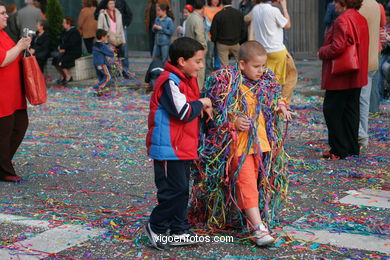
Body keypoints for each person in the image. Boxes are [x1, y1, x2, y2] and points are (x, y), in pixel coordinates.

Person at [189, 41, 290, 247]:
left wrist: (280, 106)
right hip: (240, 147)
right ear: (242, 64)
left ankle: (249, 220)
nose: (261, 71)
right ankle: (258, 228)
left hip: (262, 146)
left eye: (263, 66)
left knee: (255, 182)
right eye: (256, 66)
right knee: (246, 184)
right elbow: (214, 111)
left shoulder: (266, 81)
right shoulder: (226, 83)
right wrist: (233, 121)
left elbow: (276, 97)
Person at [144, 37, 213, 250]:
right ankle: (156, 226)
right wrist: (201, 103)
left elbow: (190, 107)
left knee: (182, 190)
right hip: (169, 149)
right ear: (182, 61)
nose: (201, 66)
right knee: (172, 191)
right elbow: (183, 111)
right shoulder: (169, 81)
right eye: (198, 61)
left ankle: (179, 230)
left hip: (184, 147)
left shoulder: (186, 78)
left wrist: (202, 109)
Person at [318, 0, 369, 160]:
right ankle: (352, 147)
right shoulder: (360, 17)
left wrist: (322, 51)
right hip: (356, 72)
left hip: (341, 75)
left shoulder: (342, 20)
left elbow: (337, 47)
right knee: (351, 111)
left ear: (344, 2)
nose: (333, 4)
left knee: (332, 110)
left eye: (336, 1)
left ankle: (339, 149)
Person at [0, 1, 32, 182]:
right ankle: (4, 169)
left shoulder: (4, 33)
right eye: (2, 13)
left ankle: (3, 164)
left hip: (13, 93)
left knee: (20, 125)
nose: (6, 16)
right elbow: (3, 59)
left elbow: (12, 54)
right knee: (4, 133)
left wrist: (24, 48)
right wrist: (19, 47)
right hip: (2, 96)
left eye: (5, 12)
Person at [251, 0, 297, 108]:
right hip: (277, 50)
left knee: (268, 80)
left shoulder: (255, 9)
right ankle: (283, 104)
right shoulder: (273, 10)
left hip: (263, 51)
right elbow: (287, 24)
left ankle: (267, 106)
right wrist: (284, 7)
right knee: (291, 76)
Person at [358, 0, 381, 149]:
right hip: (373, 57)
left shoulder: (361, 6)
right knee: (364, 100)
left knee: (360, 100)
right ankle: (361, 135)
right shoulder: (375, 5)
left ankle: (361, 135)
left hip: (362, 60)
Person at [95, 0, 132, 69]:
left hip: (118, 38)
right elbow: (99, 28)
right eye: (110, 4)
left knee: (122, 55)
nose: (112, 5)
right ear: (107, 5)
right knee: (110, 57)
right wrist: (101, 40)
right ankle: (112, 72)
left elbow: (121, 27)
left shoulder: (118, 13)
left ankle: (124, 70)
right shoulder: (103, 14)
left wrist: (123, 39)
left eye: (113, 3)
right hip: (108, 38)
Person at [210, 0, 247, 67]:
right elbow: (244, 29)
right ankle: (240, 76)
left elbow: (213, 31)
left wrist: (215, 40)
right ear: (231, 2)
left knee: (224, 66)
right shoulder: (238, 13)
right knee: (241, 63)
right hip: (235, 42)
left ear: (222, 2)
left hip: (222, 43)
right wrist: (240, 40)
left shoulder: (218, 15)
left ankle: (227, 77)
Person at [52, 16, 82, 84]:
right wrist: (59, 47)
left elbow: (72, 43)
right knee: (55, 61)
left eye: (64, 23)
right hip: (66, 51)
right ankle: (63, 76)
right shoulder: (64, 31)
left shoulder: (74, 32)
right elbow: (60, 41)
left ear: (68, 24)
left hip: (73, 52)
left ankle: (68, 77)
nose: (62, 24)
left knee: (61, 61)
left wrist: (63, 48)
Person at [185, 0, 207, 89]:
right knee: (199, 74)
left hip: (189, 47)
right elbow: (200, 37)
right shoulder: (198, 19)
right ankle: (198, 92)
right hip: (197, 50)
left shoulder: (190, 17)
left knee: (191, 73)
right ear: (203, 7)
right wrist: (204, 49)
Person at [92, 29, 114, 96]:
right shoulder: (102, 46)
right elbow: (110, 53)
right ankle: (97, 87)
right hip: (102, 64)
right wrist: (113, 52)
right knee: (108, 76)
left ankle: (101, 91)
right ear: (102, 37)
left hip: (96, 64)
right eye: (106, 37)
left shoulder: (95, 44)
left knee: (101, 77)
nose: (106, 38)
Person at [204, 0, 222, 75]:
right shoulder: (205, 9)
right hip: (209, 36)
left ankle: (218, 75)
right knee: (209, 56)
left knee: (218, 56)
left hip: (219, 36)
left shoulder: (221, 8)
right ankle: (209, 75)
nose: (215, 1)